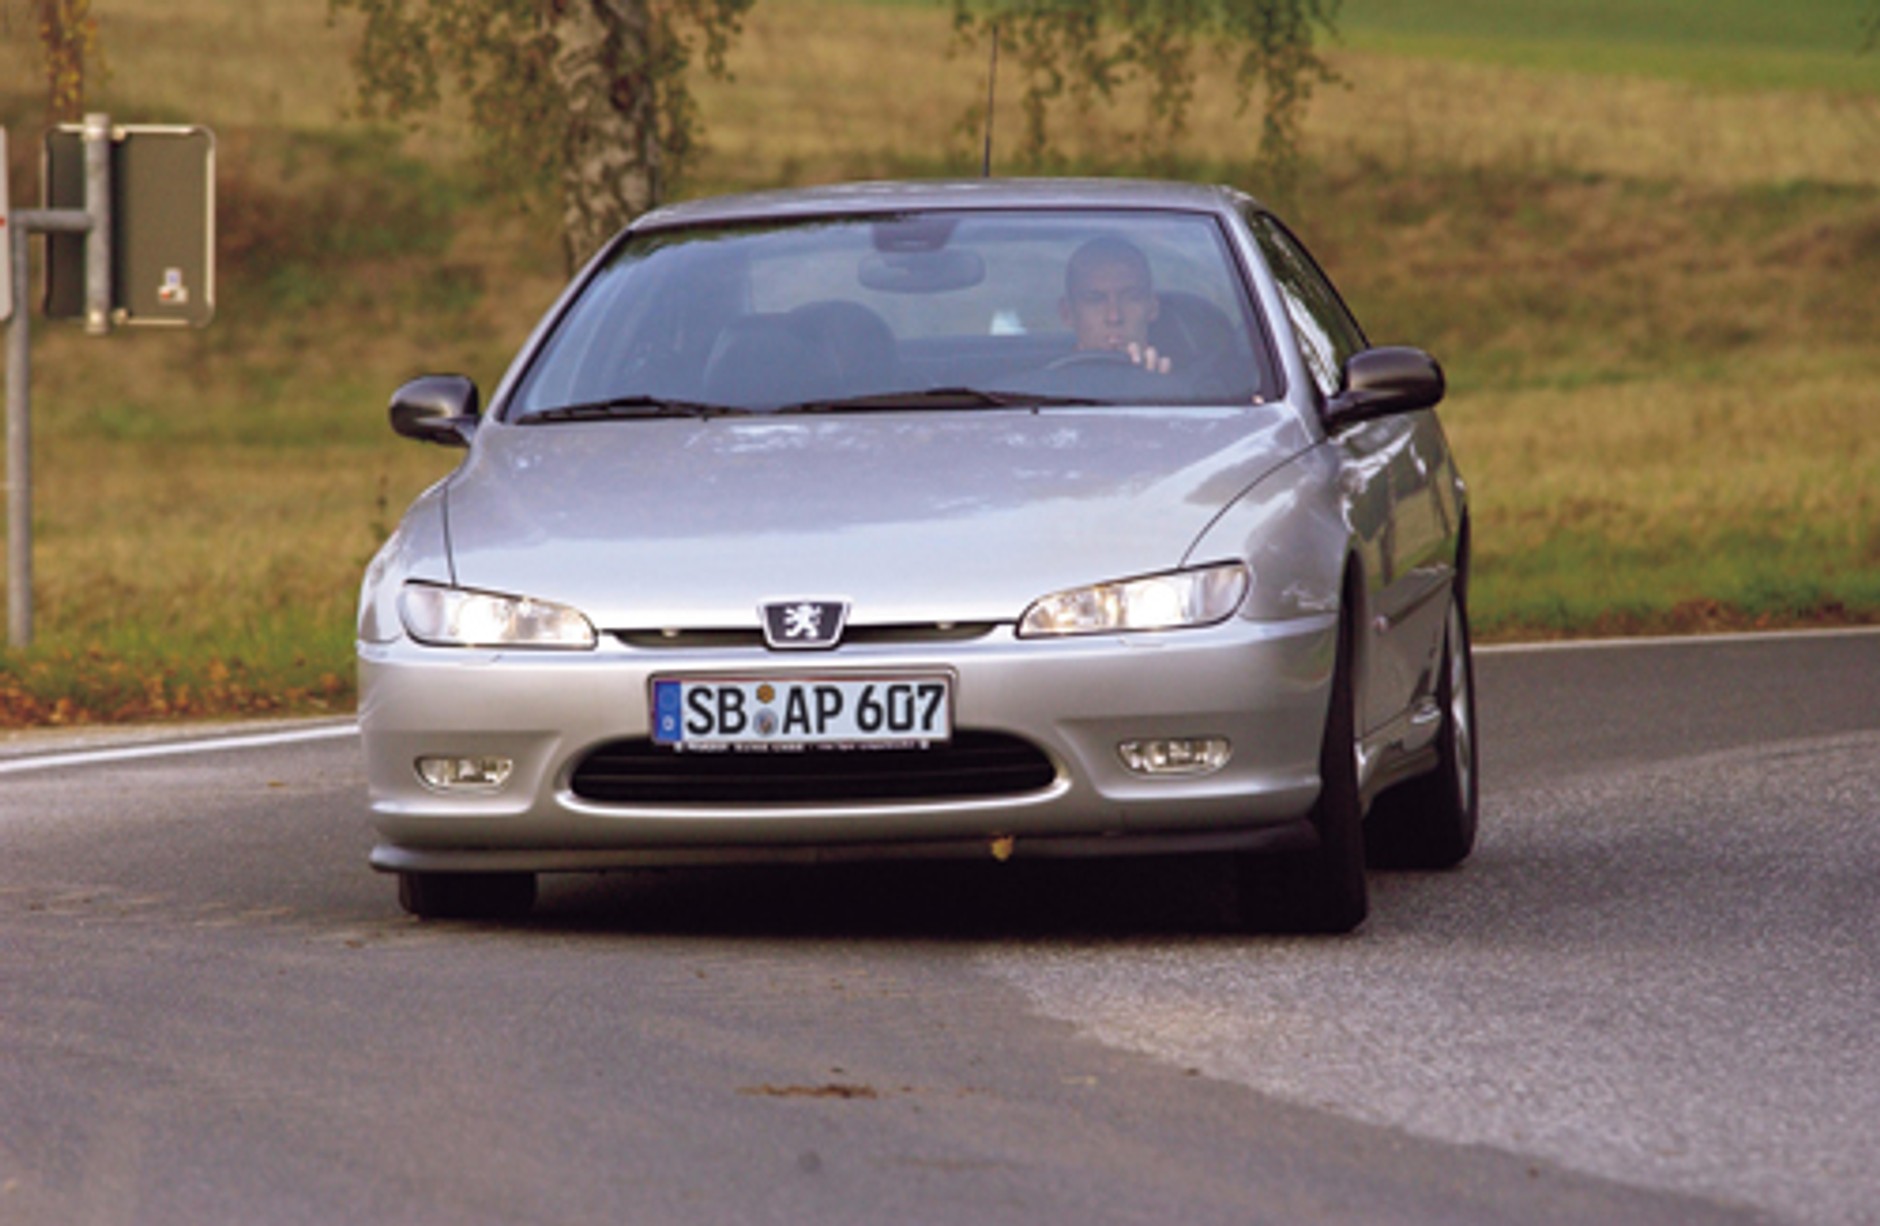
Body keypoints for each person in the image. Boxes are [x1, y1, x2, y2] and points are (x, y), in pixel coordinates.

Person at [1060, 236, 1172, 374]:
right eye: (1096, 300)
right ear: (1067, 313)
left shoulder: (1187, 391)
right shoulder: (1040, 390)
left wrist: (1159, 389)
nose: (1114, 317)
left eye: (1131, 298)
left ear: (1152, 308)